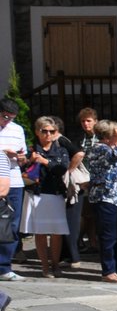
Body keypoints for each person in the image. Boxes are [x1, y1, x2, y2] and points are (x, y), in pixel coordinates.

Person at [22, 115, 72, 276]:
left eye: (52, 131)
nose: (48, 134)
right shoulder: (30, 150)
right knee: (40, 232)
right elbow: (22, 172)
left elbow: (62, 169)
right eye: (45, 131)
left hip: (55, 193)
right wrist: (29, 162)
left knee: (57, 232)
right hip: (36, 193)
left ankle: (55, 264)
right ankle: (45, 266)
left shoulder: (61, 150)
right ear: (38, 132)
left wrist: (45, 162)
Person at [84, 119, 117, 282]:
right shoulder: (99, 148)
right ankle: (108, 271)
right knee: (108, 235)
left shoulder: (108, 148)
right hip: (105, 196)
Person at [66, 105, 97, 265]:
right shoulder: (79, 138)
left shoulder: (101, 136)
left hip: (98, 177)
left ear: (95, 121)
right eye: (83, 121)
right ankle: (81, 241)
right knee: (85, 213)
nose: (86, 124)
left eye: (89, 121)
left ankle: (92, 242)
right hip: (83, 178)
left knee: (92, 214)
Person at [0, 98, 25, 281]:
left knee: (12, 225)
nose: (7, 121)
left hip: (14, 181)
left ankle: (4, 267)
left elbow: (22, 156)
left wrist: (20, 157)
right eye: (5, 117)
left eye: (11, 118)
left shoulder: (17, 130)